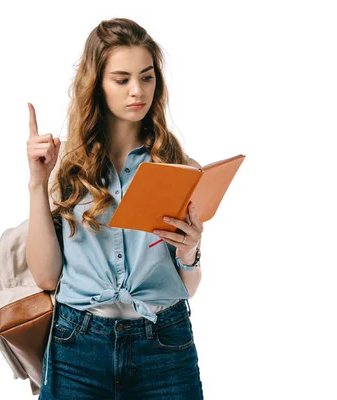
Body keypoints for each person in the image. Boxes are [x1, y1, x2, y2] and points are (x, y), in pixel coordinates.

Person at [25, 17, 205, 399]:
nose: (137, 91)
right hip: (77, 346)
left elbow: (185, 287)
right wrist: (37, 184)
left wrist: (190, 252)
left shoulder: (177, 165)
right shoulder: (67, 165)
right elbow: (46, 278)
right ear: (97, 85)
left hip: (164, 345)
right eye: (121, 79)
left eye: (147, 76)